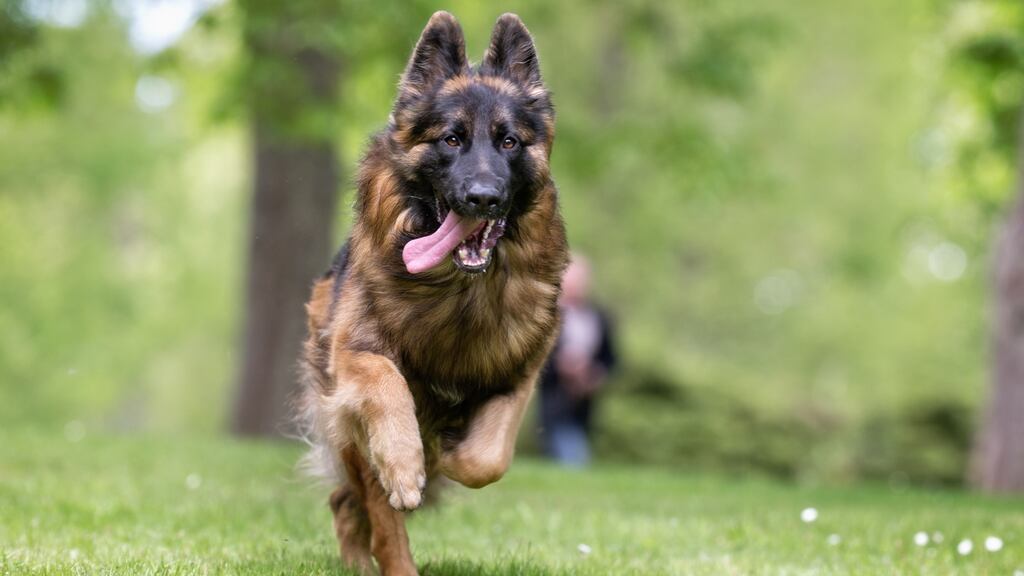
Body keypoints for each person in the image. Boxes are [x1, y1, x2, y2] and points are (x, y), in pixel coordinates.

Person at [539, 254, 617, 466]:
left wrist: (596, 374)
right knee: (570, 453)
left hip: (585, 405)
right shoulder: (546, 315)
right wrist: (561, 366)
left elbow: (611, 357)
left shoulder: (599, 316)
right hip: (554, 400)